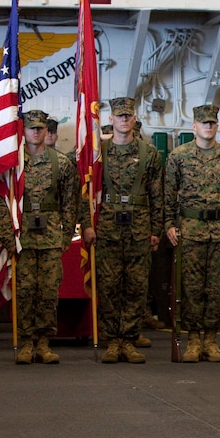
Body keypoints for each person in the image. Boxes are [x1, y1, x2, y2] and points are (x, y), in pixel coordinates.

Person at [80, 98, 164, 364]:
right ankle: (112, 341)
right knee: (109, 286)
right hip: (107, 227)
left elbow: (157, 196)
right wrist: (87, 225)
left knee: (136, 286)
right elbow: (85, 193)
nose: (124, 120)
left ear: (134, 118)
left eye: (128, 115)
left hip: (139, 227)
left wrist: (156, 230)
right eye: (119, 116)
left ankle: (129, 340)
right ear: (111, 119)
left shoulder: (149, 154)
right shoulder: (99, 153)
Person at [0, 109, 78, 365]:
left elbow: (70, 203)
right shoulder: (13, 164)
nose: (36, 132)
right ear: (23, 130)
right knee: (25, 291)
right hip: (23, 238)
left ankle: (43, 343)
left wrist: (64, 238)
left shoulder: (61, 163)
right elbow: (1, 200)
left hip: (51, 237)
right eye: (31, 128)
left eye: (41, 128)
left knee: (48, 292)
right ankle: (26, 342)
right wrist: (7, 235)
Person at [164, 104, 220, 363]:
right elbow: (168, 193)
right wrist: (168, 224)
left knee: (219, 288)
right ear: (194, 126)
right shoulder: (179, 156)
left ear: (217, 126)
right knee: (191, 287)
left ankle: (211, 339)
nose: (208, 126)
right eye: (203, 123)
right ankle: (193, 339)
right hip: (190, 229)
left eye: (212, 123)